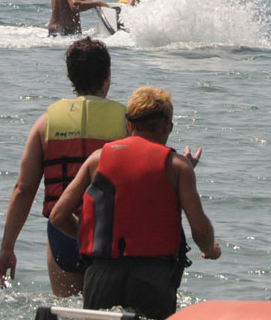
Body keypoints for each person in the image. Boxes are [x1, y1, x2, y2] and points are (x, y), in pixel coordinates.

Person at [49, 86, 221, 320]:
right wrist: (211, 250)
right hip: (153, 279)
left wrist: (87, 235)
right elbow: (200, 231)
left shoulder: (97, 159)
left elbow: (58, 215)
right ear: (165, 125)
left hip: (101, 275)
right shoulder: (178, 167)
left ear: (129, 125)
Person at [0, 37, 126, 296]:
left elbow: (23, 188)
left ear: (70, 77)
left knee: (67, 311)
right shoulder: (127, 123)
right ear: (108, 75)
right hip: (111, 237)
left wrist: (7, 246)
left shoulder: (46, 124)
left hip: (63, 234)